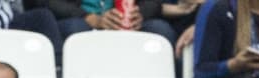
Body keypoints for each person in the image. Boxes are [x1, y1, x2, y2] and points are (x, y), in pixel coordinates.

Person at [50, 0, 178, 45]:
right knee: (76, 28)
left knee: (160, 30)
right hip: (80, 19)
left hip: (126, 22)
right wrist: (88, 17)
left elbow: (154, 3)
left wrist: (140, 14)